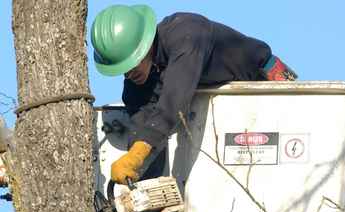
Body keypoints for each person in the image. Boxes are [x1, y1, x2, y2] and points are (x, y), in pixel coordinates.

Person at [91, 4, 297, 185]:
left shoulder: (187, 33)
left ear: (143, 47)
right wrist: (137, 178)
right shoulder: (138, 84)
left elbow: (173, 104)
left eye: (131, 65)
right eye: (123, 70)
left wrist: (136, 155)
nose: (128, 74)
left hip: (263, 81)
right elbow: (145, 127)